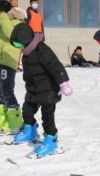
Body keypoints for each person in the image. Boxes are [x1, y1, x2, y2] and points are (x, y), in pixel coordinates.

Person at [10, 23, 72, 157]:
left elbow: (56, 66)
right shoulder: (27, 52)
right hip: (34, 88)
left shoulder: (41, 50)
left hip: (48, 88)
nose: (19, 48)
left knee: (47, 116)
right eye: (16, 45)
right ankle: (30, 131)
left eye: (19, 44)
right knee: (27, 110)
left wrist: (63, 83)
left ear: (26, 39)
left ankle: (51, 140)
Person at [0, 0, 24, 133]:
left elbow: (10, 35)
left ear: (2, 12)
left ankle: (15, 120)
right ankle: (4, 116)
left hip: (7, 60)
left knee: (7, 90)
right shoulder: (0, 25)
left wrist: (2, 17)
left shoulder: (14, 22)